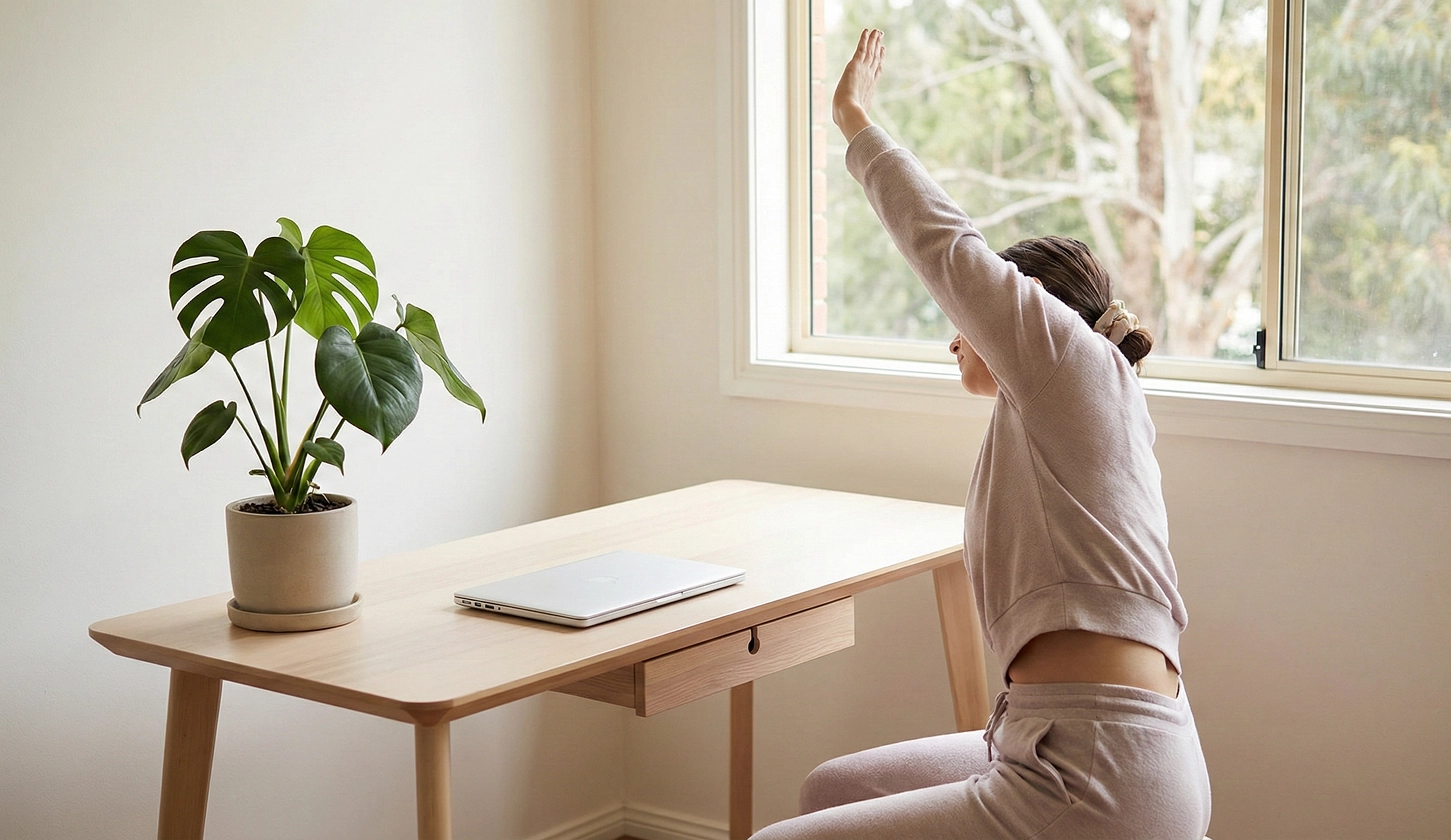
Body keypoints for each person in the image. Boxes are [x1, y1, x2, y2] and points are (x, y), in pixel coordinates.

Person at [749, 29, 1211, 840]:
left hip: (1098, 770)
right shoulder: (1058, 410)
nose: (955, 333)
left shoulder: (1073, 366)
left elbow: (947, 249)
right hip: (1057, 739)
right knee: (831, 789)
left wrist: (853, 118)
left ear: (1022, 311)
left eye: (969, 318)